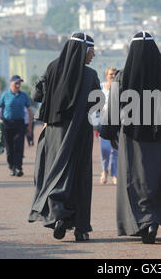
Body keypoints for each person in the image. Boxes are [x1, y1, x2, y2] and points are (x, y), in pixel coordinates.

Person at [101, 32, 161, 244]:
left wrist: (108, 132)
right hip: (160, 137)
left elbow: (113, 108)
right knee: (155, 178)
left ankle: (140, 222)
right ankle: (153, 220)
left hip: (131, 138)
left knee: (133, 179)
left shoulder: (123, 77)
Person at [29, 32, 101, 242]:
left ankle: (59, 215)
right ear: (82, 50)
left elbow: (36, 96)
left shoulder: (52, 68)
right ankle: (81, 228)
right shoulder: (90, 75)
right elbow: (97, 104)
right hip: (80, 134)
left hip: (54, 133)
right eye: (91, 50)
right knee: (80, 177)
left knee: (55, 173)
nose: (93, 54)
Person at [0, 76, 33, 177]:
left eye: (19, 83)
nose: (18, 85)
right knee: (10, 148)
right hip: (7, 124)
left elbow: (29, 110)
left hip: (20, 123)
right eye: (16, 83)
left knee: (19, 146)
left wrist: (29, 126)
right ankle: (12, 167)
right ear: (10, 83)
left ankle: (19, 168)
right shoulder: (5, 95)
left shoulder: (24, 95)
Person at [99, 67, 118, 185]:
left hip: (116, 121)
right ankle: (104, 170)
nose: (113, 76)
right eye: (111, 74)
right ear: (106, 75)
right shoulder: (100, 87)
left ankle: (115, 174)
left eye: (115, 74)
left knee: (115, 149)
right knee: (105, 149)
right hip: (103, 121)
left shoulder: (119, 88)